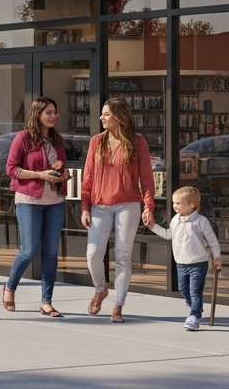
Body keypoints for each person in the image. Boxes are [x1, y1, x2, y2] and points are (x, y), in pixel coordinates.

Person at [82, 97, 156, 323]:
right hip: (100, 206)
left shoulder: (138, 142)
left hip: (128, 205)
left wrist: (149, 206)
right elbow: (88, 177)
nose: (101, 118)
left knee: (122, 256)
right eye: (102, 114)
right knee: (93, 253)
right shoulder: (97, 141)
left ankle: (118, 306)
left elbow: (146, 178)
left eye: (106, 114)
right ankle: (100, 289)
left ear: (119, 117)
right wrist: (85, 207)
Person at [3, 97, 68, 317]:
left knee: (50, 253)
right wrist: (40, 175)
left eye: (54, 112)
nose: (53, 116)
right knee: (29, 250)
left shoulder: (58, 139)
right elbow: (11, 169)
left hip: (55, 200)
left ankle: (46, 301)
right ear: (37, 114)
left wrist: (62, 172)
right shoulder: (23, 138)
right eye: (48, 112)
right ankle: (10, 287)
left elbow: (63, 166)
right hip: (29, 199)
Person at [149, 186, 223, 330]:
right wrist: (153, 227)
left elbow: (212, 241)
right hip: (181, 262)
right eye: (174, 203)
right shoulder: (175, 220)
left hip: (198, 263)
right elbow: (168, 235)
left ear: (192, 205)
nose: (175, 206)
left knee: (195, 291)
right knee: (183, 289)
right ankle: (196, 307)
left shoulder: (201, 221)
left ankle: (194, 316)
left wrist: (217, 257)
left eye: (178, 203)